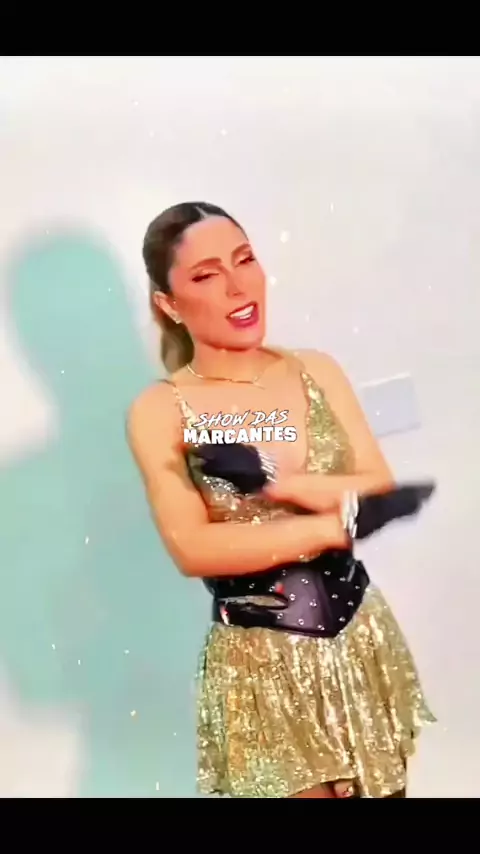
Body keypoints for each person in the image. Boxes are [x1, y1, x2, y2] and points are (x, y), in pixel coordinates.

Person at [127, 201, 435, 799]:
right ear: (169, 304)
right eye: (206, 275)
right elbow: (194, 547)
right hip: (261, 668)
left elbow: (375, 487)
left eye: (244, 260)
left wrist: (277, 483)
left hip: (359, 640)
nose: (237, 286)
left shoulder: (317, 370)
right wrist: (335, 525)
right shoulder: (161, 409)